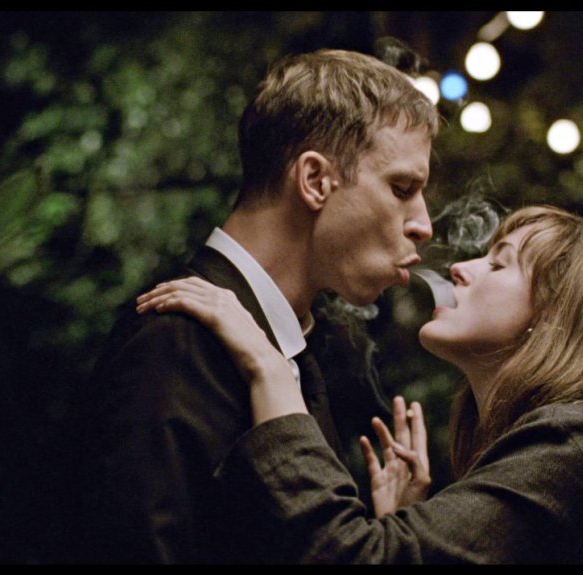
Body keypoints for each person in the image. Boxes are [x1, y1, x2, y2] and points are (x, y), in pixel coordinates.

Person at [137, 204, 583, 564]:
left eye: (500, 264)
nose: (461, 269)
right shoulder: (570, 449)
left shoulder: (577, 443)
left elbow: (346, 557)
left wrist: (271, 370)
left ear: (555, 317)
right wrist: (402, 531)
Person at [77, 46, 441, 564]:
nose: (423, 225)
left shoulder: (289, 351)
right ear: (315, 181)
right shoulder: (175, 342)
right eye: (402, 188)